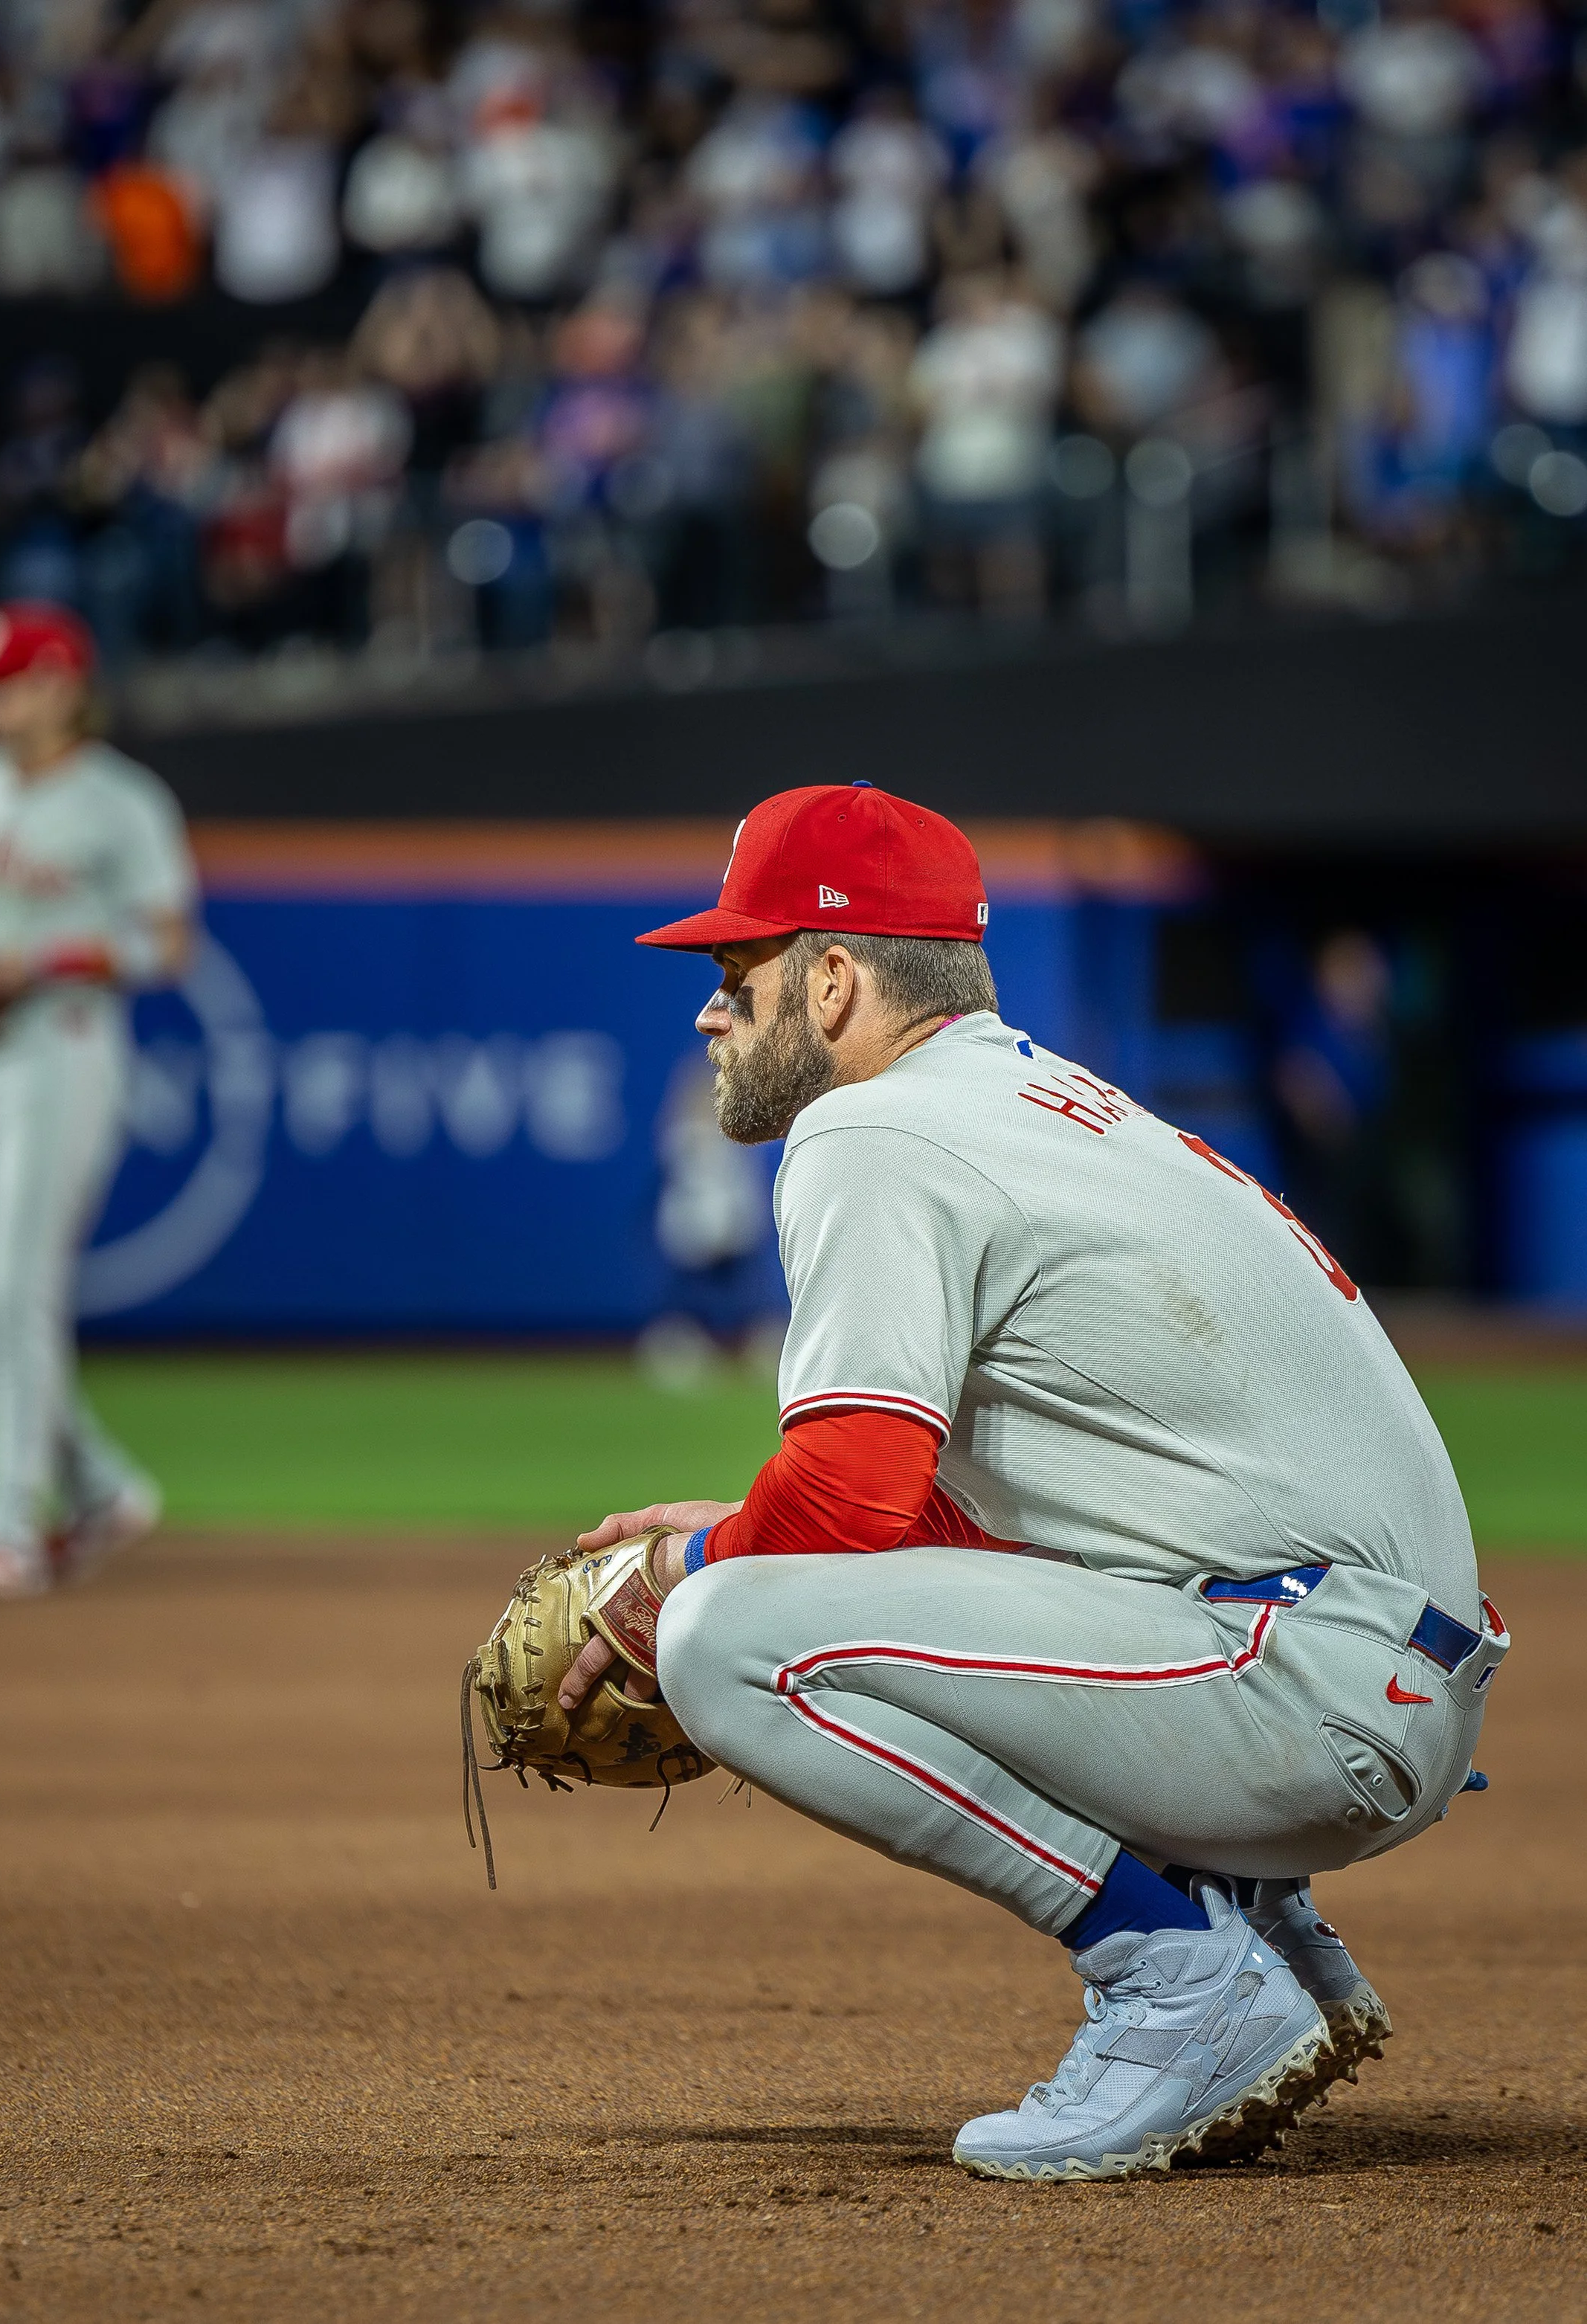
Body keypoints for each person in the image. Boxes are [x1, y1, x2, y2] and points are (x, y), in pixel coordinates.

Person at [562, 782, 1504, 2181]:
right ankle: (1253, 1927)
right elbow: (974, 1504)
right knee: (760, 1580)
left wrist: (679, 1578)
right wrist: (746, 1533)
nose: (711, 1011)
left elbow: (851, 1499)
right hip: (1361, 1669)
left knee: (721, 1640)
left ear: (832, 981)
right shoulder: (1036, 1102)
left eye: (734, 972)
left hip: (1303, 1684)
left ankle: (1180, 1976)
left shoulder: (869, 1131)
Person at [0, 601, 198, 1601]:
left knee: (7, 1282)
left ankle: (8, 1521)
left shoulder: (121, 799)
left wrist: (42, 957)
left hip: (63, 1047)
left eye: (10, 679)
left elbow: (168, 944)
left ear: (64, 683)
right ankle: (97, 1483)